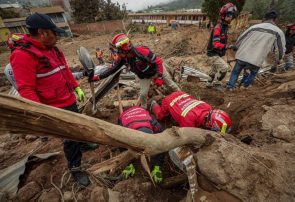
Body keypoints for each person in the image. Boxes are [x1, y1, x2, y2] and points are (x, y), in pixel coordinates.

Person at [9, 13, 97, 187]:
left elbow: (64, 71)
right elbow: (26, 89)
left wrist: (76, 86)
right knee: (69, 138)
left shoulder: (53, 49)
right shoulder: (23, 55)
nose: (57, 36)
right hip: (54, 107)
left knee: (78, 125)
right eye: (53, 32)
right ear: (42, 32)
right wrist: (42, 113)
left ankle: (83, 144)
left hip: (67, 99)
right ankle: (75, 167)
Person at [89, 33, 180, 109]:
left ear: (125, 50)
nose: (118, 55)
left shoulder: (141, 51)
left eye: (119, 52)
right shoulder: (122, 59)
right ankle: (144, 109)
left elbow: (158, 62)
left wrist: (159, 77)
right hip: (144, 76)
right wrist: (97, 77)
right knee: (143, 94)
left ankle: (183, 96)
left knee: (171, 85)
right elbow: (111, 70)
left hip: (157, 70)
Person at [226, 11, 286, 90]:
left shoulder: (254, 27)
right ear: (275, 19)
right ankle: (244, 86)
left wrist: (235, 46)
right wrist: (279, 58)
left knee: (235, 72)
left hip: (243, 55)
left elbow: (241, 38)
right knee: (252, 73)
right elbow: (280, 48)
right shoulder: (278, 32)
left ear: (264, 18)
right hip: (257, 58)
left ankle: (230, 87)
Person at [118, 106, 164, 183]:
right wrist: (127, 162)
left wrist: (157, 166)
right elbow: (120, 142)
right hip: (128, 122)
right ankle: (130, 165)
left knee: (161, 144)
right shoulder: (124, 126)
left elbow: (163, 140)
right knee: (122, 142)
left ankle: (156, 168)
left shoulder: (153, 123)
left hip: (140, 116)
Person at [151, 91, 232, 132]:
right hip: (169, 100)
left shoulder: (207, 107)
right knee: (160, 116)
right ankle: (153, 104)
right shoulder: (189, 120)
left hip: (181, 94)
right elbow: (185, 136)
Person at [206, 3, 238, 91]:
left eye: (231, 15)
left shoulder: (225, 28)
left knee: (214, 70)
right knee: (224, 68)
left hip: (217, 53)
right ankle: (217, 83)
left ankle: (208, 84)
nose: (230, 17)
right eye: (228, 15)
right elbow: (216, 44)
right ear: (223, 16)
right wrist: (229, 46)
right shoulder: (218, 28)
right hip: (213, 53)